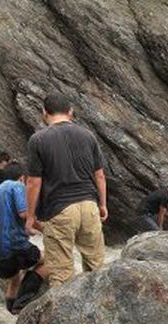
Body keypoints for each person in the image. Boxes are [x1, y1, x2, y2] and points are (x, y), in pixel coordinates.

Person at [25, 93, 108, 287]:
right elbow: (100, 175)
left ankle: (64, 316)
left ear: (44, 113)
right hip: (89, 206)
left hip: (59, 210)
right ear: (70, 112)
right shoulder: (88, 135)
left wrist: (30, 216)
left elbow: (33, 182)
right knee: (96, 267)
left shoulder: (38, 140)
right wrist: (102, 204)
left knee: (61, 274)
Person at [0, 162, 47, 314]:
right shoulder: (16, 186)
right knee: (51, 260)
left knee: (15, 277)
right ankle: (21, 304)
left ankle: (10, 312)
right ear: (23, 178)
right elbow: (25, 213)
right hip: (9, 247)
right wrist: (46, 230)